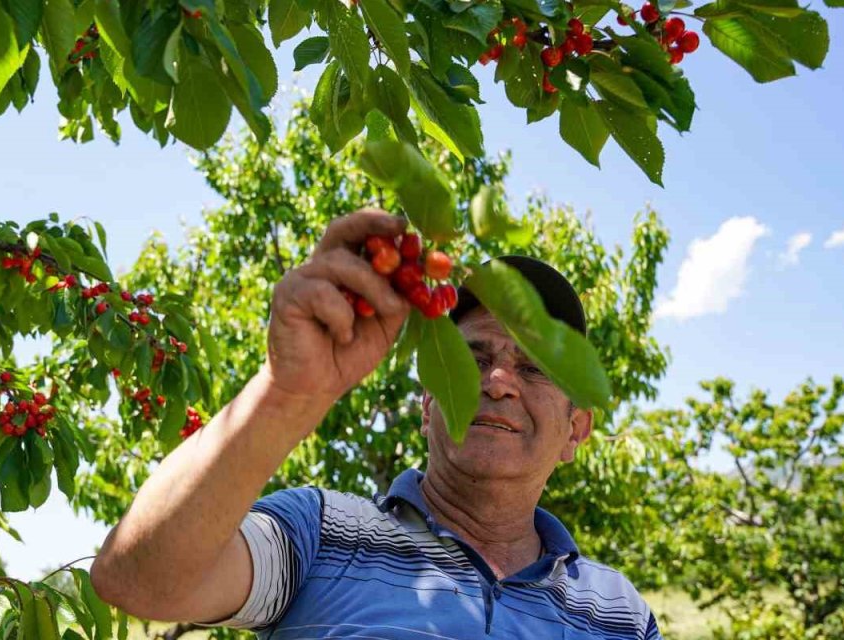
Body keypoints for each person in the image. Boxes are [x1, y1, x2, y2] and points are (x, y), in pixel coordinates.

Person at [90, 210, 662, 639]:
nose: (498, 382)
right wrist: (286, 392)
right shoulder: (321, 533)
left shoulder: (620, 613)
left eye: (534, 368)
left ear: (576, 430)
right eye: (474, 359)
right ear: (427, 404)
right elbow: (139, 580)